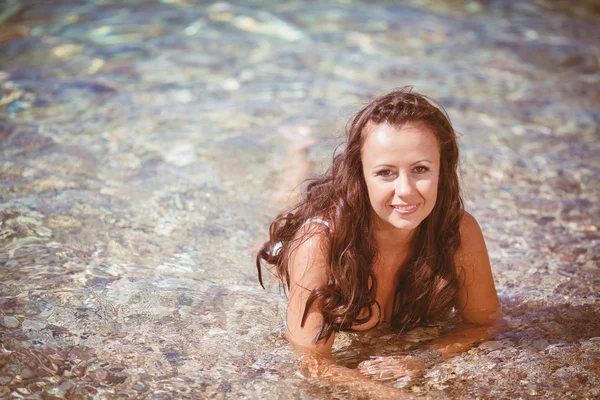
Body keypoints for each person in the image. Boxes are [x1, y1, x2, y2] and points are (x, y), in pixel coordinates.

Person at [256, 87, 503, 397]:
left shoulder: (458, 231)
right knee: (282, 205)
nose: (406, 190)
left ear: (443, 168)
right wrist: (394, 396)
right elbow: (311, 361)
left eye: (420, 169)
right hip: (301, 239)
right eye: (386, 172)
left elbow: (487, 323)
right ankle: (298, 151)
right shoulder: (318, 244)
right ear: (360, 175)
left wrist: (423, 358)